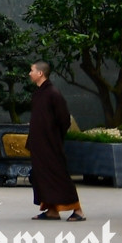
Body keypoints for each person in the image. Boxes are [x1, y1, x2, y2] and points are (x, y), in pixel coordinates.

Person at [26, 60, 84, 221]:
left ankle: (78, 210)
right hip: (39, 144)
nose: (29, 74)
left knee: (59, 175)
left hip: (51, 143)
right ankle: (52, 210)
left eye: (32, 70)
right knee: (42, 176)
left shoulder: (53, 93)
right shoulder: (39, 93)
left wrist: (54, 137)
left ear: (40, 73)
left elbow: (63, 119)